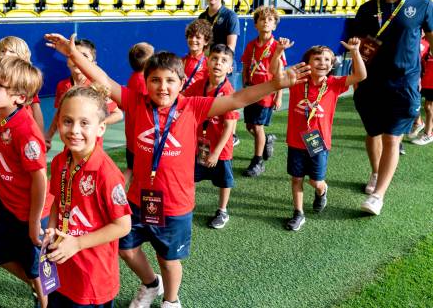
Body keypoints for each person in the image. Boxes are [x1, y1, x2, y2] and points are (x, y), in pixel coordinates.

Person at [44, 32, 308, 308]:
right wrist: (73, 54)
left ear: (182, 83)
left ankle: (171, 300)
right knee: (126, 248)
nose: (162, 87)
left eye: (170, 80)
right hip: (137, 200)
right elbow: (103, 80)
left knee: (168, 259)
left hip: (175, 205)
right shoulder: (135, 103)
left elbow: (238, 99)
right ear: (145, 82)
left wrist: (275, 84)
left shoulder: (193, 107)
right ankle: (150, 284)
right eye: (155, 80)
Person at [351, 0, 433, 215]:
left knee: (392, 137)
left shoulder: (423, 5)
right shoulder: (366, 9)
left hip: (404, 83)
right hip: (371, 84)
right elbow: (357, 48)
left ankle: (378, 195)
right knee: (373, 133)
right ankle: (375, 172)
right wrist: (356, 78)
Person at [43, 85, 132, 307]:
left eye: (84, 123)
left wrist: (78, 243)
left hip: (92, 276)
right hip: (62, 265)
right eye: (67, 121)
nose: (74, 130)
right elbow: (58, 202)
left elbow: (123, 226)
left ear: (101, 128)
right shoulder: (59, 161)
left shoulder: (107, 174)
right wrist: (52, 230)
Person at [273, 38, 367, 231]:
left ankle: (322, 190)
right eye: (317, 59)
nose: (322, 63)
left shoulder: (334, 84)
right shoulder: (298, 81)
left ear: (332, 65)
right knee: (296, 178)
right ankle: (298, 213)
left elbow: (360, 75)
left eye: (327, 60)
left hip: (318, 143)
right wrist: (278, 51)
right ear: (308, 63)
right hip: (295, 141)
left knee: (315, 180)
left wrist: (355, 52)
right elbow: (275, 73)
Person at [0, 55, 51, 308]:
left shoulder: (25, 130)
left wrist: (34, 221)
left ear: (20, 98)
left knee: (36, 270)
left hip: (32, 211)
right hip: (9, 205)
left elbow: (40, 179)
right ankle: (42, 290)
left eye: (0, 86)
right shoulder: (0, 116)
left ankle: (46, 300)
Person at [183, 44, 236, 229]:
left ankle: (222, 210)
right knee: (191, 177)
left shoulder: (228, 92)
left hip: (220, 149)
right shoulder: (200, 84)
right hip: (199, 145)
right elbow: (183, 99)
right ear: (207, 61)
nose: (218, 63)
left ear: (230, 68)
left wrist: (217, 152)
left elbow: (230, 125)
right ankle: (188, 205)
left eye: (224, 61)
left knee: (224, 180)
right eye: (214, 58)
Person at [45, 38, 123, 149]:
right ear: (68, 60)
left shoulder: (97, 86)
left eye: (84, 56)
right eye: (75, 55)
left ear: (92, 64)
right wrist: (49, 135)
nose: (78, 60)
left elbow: (118, 114)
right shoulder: (62, 85)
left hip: (91, 147)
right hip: (70, 144)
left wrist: (96, 123)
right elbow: (59, 114)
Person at [240, 6, 285, 177]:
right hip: (251, 90)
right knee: (249, 126)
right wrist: (244, 81)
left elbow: (279, 74)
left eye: (270, 20)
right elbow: (245, 65)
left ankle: (257, 161)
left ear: (274, 26)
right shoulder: (251, 45)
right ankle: (267, 141)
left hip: (266, 93)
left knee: (258, 127)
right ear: (256, 24)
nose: (266, 22)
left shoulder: (276, 46)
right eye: (262, 19)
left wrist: (279, 96)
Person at [199, 0, 242, 146]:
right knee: (210, 99)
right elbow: (202, 46)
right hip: (209, 65)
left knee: (228, 102)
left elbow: (231, 46)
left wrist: (225, 64)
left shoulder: (230, 16)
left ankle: (231, 135)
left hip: (225, 65)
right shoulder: (202, 16)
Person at [125, 42, 154, 186]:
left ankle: (119, 198)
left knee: (131, 169)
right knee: (137, 170)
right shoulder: (143, 82)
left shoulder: (133, 78)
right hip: (140, 138)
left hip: (132, 136)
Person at [412, 35, 433, 145]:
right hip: (421, 79)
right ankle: (418, 123)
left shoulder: (426, 42)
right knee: (413, 102)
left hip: (431, 81)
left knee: (429, 107)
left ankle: (428, 134)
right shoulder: (420, 40)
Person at [181, 19, 212, 90]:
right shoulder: (181, 61)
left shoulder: (208, 63)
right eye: (191, 36)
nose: (193, 40)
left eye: (198, 37)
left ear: (206, 41)